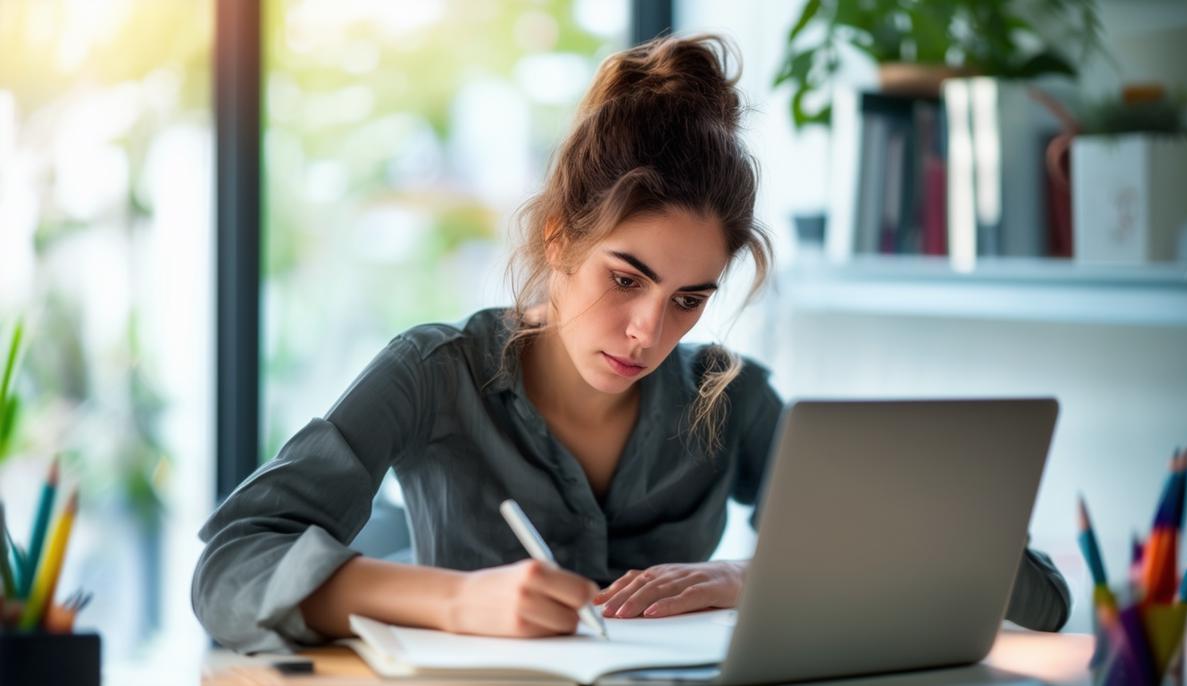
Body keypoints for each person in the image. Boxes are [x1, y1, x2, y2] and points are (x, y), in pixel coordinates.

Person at [192, 35, 1070, 654]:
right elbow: (230, 566)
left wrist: (761, 578)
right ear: (556, 241)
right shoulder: (433, 375)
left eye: (690, 299)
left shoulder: (730, 398)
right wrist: (458, 599)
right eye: (625, 278)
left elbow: (1034, 592)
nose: (651, 331)